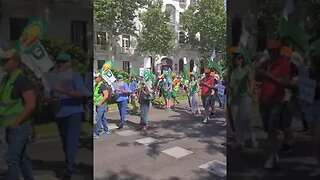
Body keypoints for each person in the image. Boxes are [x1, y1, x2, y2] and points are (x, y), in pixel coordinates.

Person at [49, 52, 88, 179]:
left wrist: (65, 91)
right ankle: (70, 164)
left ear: (69, 63)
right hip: (60, 113)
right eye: (59, 61)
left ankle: (69, 169)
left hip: (74, 113)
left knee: (71, 142)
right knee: (65, 143)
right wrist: (50, 99)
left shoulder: (75, 76)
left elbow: (82, 94)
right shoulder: (54, 78)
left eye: (63, 62)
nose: (60, 64)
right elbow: (50, 94)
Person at [0, 49, 35, 180]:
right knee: (22, 157)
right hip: (8, 126)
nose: (2, 63)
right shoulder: (6, 79)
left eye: (5, 60)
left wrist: (16, 122)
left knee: (11, 159)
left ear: (15, 62)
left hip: (19, 126)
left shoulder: (21, 79)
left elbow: (30, 103)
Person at [255, 39, 291, 169]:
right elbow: (257, 78)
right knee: (267, 128)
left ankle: (271, 156)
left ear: (278, 50)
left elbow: (286, 82)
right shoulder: (266, 63)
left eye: (274, 50)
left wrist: (269, 75)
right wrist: (257, 71)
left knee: (272, 129)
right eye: (270, 50)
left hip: (276, 100)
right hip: (263, 100)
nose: (271, 53)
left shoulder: (284, 64)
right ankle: (274, 151)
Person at [229, 48, 257, 149]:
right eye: (235, 58)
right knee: (236, 119)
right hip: (235, 98)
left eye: (239, 58)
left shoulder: (246, 69)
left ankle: (251, 139)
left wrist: (251, 91)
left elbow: (252, 81)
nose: (237, 60)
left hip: (245, 96)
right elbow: (230, 84)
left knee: (246, 118)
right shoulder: (232, 71)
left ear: (242, 59)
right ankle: (239, 141)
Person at [304, 49, 320, 177]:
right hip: (313, 105)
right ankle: (318, 165)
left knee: (317, 137)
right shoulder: (309, 71)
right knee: (314, 139)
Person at [93, 72, 109, 139]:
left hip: (101, 105)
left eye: (96, 78)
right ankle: (106, 130)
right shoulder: (96, 85)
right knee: (102, 118)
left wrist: (100, 103)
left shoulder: (102, 85)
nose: (95, 79)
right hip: (97, 104)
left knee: (98, 118)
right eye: (94, 78)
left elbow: (106, 95)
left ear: (100, 78)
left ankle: (96, 133)